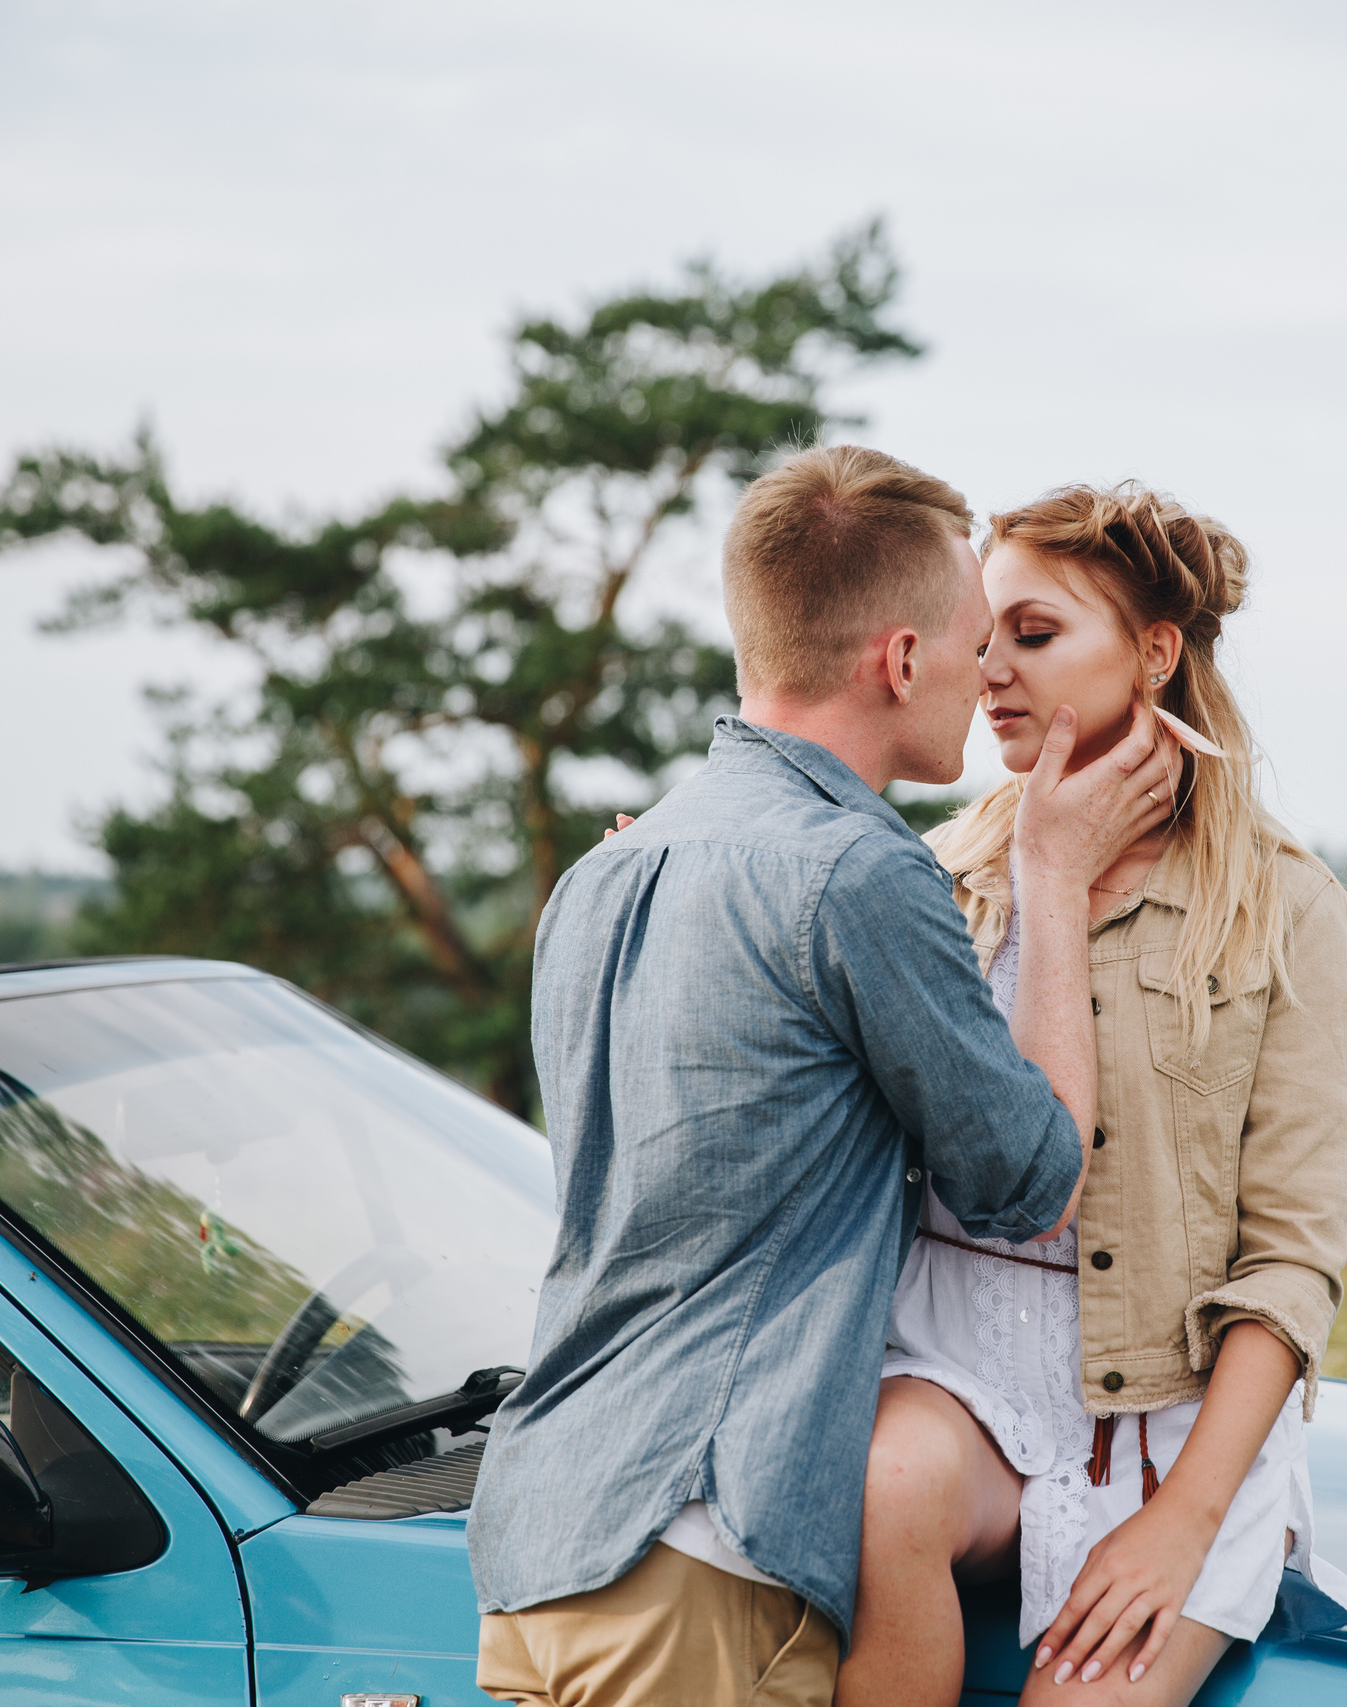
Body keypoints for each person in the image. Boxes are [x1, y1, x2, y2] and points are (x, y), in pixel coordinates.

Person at [468, 447, 1180, 1707]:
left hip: (544, 1539)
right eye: (969, 643)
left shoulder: (603, 877)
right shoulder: (856, 869)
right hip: (699, 1548)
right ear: (900, 660)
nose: (986, 676)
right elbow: (1033, 1179)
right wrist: (1054, 883)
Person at [838, 484, 1347, 1707]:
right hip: (952, 1378)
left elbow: (1291, 1261)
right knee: (876, 1488)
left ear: (1153, 652)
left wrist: (1185, 1520)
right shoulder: (929, 876)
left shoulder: (1278, 906)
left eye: (1033, 637)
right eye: (983, 640)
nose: (990, 673)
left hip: (1165, 1424)